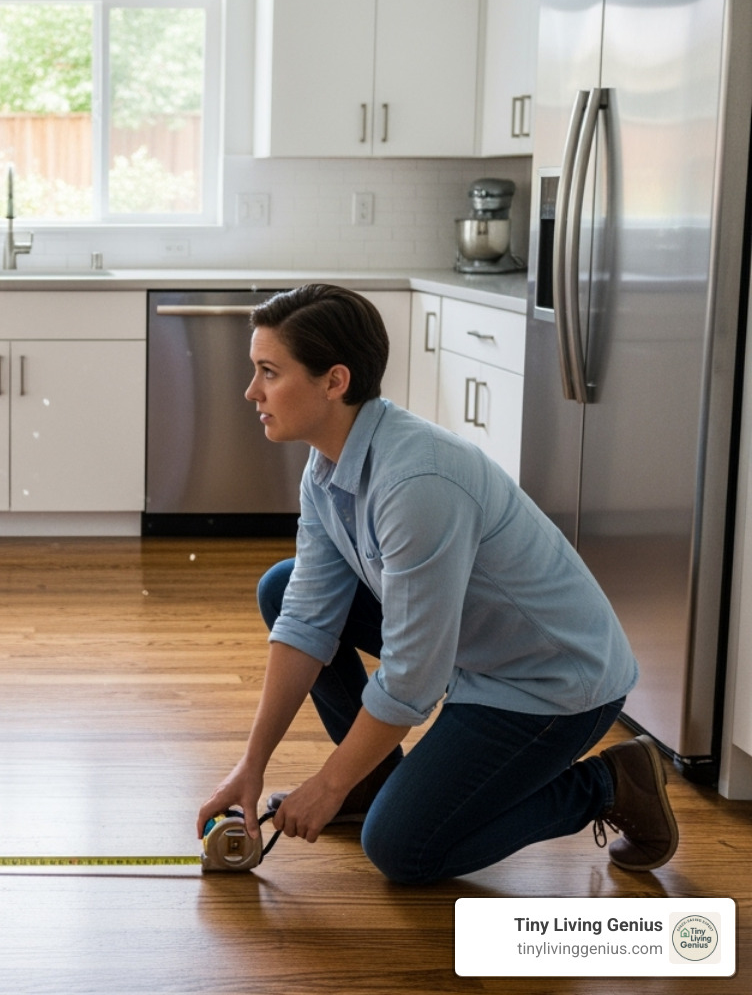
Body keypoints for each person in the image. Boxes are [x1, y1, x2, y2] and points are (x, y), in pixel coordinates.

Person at [195, 283, 678, 884]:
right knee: (283, 588)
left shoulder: (417, 481)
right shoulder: (326, 466)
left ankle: (607, 784)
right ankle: (372, 780)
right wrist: (251, 764)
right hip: (470, 650)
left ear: (334, 381)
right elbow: (306, 620)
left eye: (268, 372)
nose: (252, 392)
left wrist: (326, 783)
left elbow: (412, 677)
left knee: (404, 850)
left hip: (550, 682)